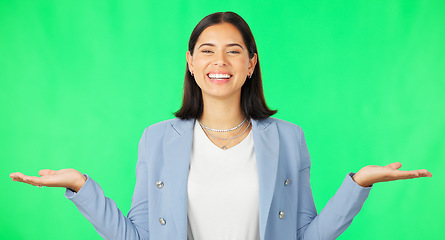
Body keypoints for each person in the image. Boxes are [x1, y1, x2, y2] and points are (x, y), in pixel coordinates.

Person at [10, 12, 432, 240]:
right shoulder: (158, 139)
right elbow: (137, 237)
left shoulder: (288, 138)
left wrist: (359, 183)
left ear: (251, 64)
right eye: (207, 50)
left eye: (234, 51)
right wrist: (82, 186)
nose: (220, 62)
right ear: (191, 63)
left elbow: (306, 235)